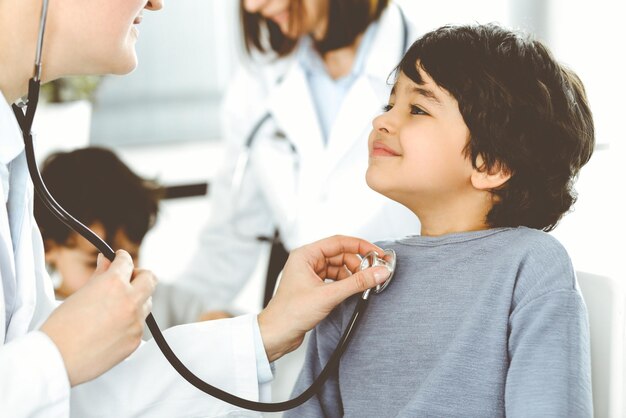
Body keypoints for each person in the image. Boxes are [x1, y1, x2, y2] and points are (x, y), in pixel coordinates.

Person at [0, 0, 393, 415]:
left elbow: (76, 397)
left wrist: (268, 329)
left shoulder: (13, 153)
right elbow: (58, 382)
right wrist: (57, 355)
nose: (156, 2)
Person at [286, 24, 595, 417]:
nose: (380, 122)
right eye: (389, 105)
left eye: (417, 109)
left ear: (491, 163)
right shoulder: (362, 275)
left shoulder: (530, 265)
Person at [151, 0, 422, 325]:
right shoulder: (257, 84)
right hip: (309, 332)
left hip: (409, 315)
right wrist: (162, 316)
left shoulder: (442, 71)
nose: (253, 6)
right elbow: (231, 237)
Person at [35, 147, 161, 300]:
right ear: (47, 247)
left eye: (132, 256)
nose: (120, 277)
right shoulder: (38, 319)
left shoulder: (166, 301)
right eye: (95, 262)